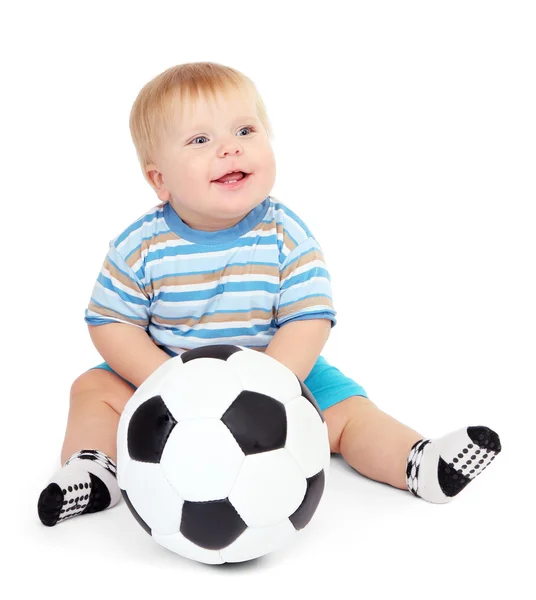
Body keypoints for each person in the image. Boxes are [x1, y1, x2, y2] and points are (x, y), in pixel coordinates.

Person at [37, 62, 501, 527]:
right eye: (200, 141)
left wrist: (273, 389)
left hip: (279, 369)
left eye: (245, 130)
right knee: (93, 389)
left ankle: (418, 463)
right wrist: (168, 382)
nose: (229, 147)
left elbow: (308, 318)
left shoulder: (285, 236)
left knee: (351, 414)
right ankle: (95, 469)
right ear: (159, 180)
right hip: (168, 369)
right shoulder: (139, 246)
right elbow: (112, 323)